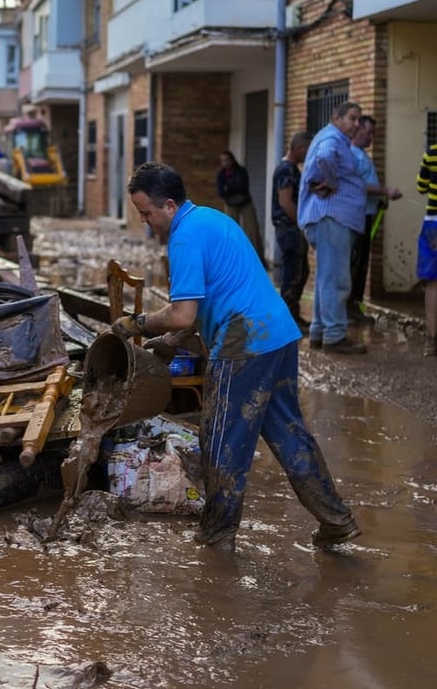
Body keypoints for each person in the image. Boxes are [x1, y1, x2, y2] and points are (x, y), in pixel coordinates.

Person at [114, 161, 361, 552]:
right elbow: (208, 302)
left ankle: (217, 535)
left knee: (221, 442)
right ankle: (337, 520)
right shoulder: (213, 219)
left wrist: (137, 323)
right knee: (288, 433)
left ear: (170, 205)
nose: (146, 223)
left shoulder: (183, 239)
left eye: (146, 213)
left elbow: (183, 312)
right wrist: (172, 340)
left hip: (243, 343)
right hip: (277, 334)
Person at [298, 101, 367, 354]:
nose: (357, 124)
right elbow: (325, 157)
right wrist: (332, 182)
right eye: (352, 118)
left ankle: (320, 331)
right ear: (336, 118)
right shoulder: (332, 139)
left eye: (359, 119)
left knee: (326, 279)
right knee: (336, 280)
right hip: (332, 218)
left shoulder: (331, 137)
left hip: (328, 219)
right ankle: (335, 335)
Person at [348, 115, 403, 324]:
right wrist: (384, 191)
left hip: (367, 214)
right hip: (357, 217)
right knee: (355, 263)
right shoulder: (351, 155)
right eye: (367, 132)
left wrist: (379, 199)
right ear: (357, 130)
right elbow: (358, 185)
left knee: (362, 264)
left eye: (373, 134)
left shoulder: (362, 155)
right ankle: (349, 309)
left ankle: (354, 306)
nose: (371, 137)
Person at [271, 131, 312, 327]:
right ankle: (287, 320)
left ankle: (292, 315)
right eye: (306, 150)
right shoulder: (286, 170)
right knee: (293, 274)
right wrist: (302, 223)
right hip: (289, 229)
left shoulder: (292, 169)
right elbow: (286, 202)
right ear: (298, 148)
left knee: (300, 272)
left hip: (291, 229)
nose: (308, 155)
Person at [216, 150, 263, 262]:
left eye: (227, 160)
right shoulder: (221, 174)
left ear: (232, 160)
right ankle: (233, 258)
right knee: (230, 230)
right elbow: (221, 192)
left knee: (252, 230)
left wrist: (229, 188)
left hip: (245, 202)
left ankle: (257, 258)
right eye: (223, 161)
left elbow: (242, 186)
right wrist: (230, 189)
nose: (225, 163)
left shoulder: (240, 171)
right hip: (230, 203)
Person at [415, 141, 437, 357]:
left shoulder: (431, 153)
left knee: (433, 283)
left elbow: (421, 186)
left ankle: (432, 341)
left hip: (433, 223)